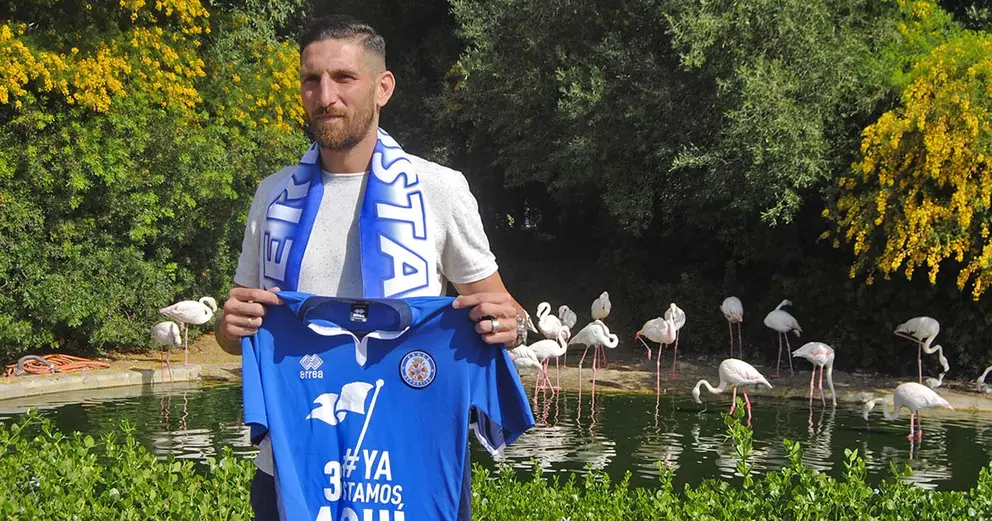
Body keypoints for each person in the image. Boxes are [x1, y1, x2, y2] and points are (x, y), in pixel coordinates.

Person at [213, 14, 528, 521]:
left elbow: (500, 311)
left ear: (383, 87)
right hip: (291, 473)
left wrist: (509, 323)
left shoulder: (438, 189)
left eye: (343, 78)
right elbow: (238, 331)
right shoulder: (274, 197)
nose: (325, 95)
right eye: (311, 80)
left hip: (408, 473)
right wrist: (227, 328)